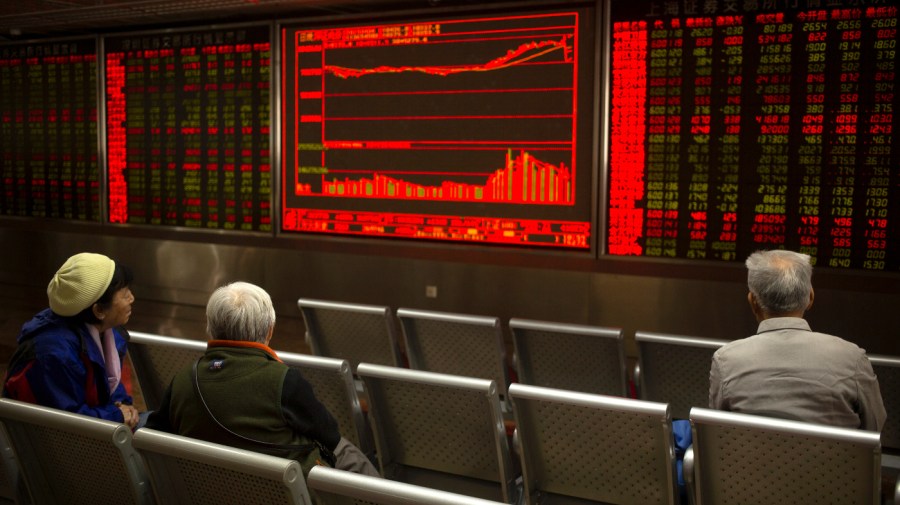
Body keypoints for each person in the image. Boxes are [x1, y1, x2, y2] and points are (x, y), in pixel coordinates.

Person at [146, 281, 378, 478]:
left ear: (211, 328)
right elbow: (329, 435)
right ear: (269, 330)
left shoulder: (184, 380)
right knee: (345, 451)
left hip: (206, 489)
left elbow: (154, 434)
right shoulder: (284, 381)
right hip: (285, 492)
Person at [709, 249, 886, 431]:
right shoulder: (853, 358)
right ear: (810, 297)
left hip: (750, 459)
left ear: (753, 301)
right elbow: (874, 429)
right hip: (833, 459)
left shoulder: (725, 361)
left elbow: (719, 432)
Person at [3, 252, 141, 429]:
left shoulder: (104, 332)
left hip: (98, 427)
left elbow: (110, 388)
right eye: (124, 294)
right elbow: (67, 423)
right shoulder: (53, 354)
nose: (132, 298)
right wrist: (116, 415)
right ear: (99, 310)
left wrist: (123, 406)